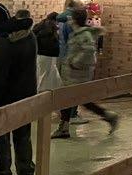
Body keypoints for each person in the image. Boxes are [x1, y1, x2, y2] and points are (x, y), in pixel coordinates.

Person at [0, 4, 36, 175]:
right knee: (23, 136)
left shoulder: (3, 46)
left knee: (1, 138)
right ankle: (26, 174)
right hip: (27, 96)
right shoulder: (30, 37)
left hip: (5, 99)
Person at [53, 9, 118, 139]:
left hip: (77, 76)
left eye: (71, 18)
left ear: (75, 20)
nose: (69, 20)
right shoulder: (78, 33)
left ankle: (108, 116)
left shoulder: (84, 35)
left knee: (71, 100)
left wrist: (74, 63)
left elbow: (88, 51)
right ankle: (107, 116)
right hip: (73, 75)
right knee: (77, 100)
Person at [34, 11, 63, 93]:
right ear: (55, 20)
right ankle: (44, 93)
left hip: (39, 54)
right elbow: (53, 43)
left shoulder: (39, 25)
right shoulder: (52, 28)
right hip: (49, 55)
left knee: (40, 74)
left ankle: (39, 91)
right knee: (46, 75)